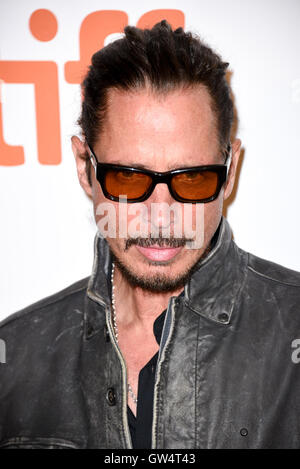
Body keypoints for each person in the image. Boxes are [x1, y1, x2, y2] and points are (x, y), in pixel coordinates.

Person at [0, 20, 300, 450]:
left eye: (193, 179)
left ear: (229, 173)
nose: (161, 217)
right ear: (86, 168)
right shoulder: (16, 356)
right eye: (128, 178)